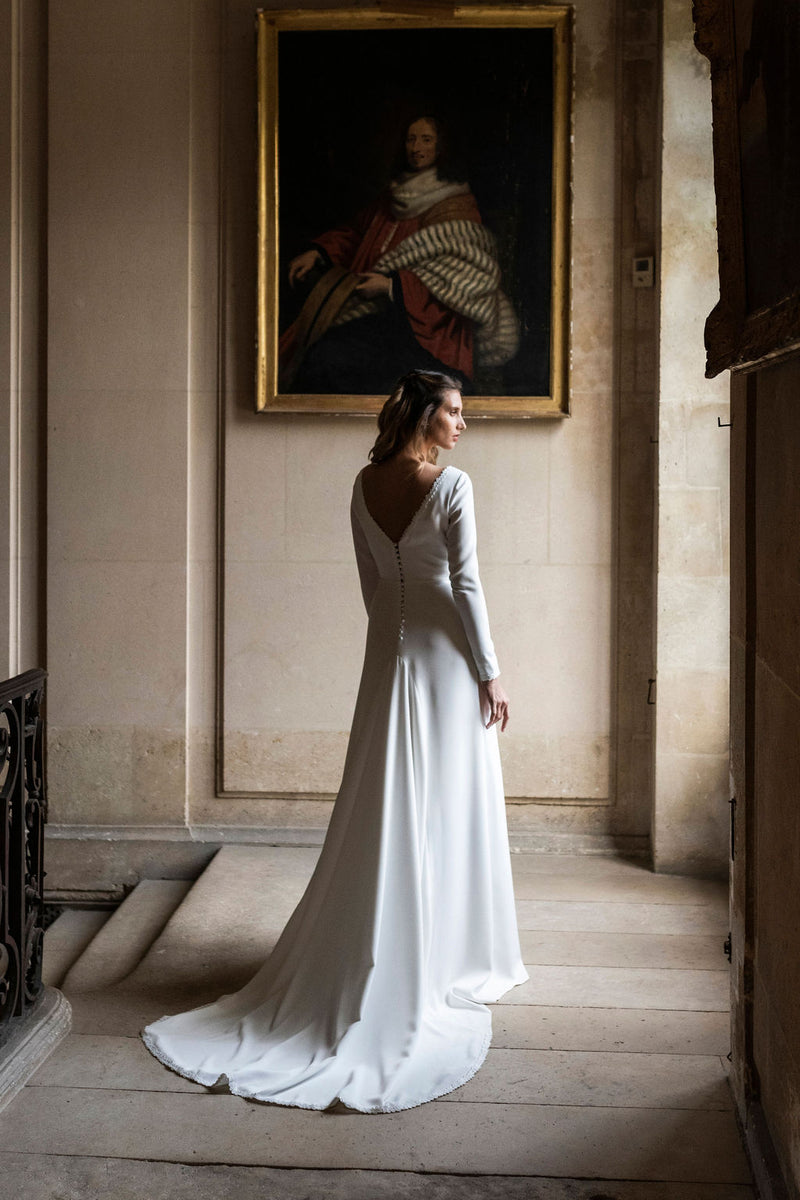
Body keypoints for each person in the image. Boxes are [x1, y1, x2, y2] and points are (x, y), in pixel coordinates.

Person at [142, 370, 528, 1112]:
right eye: (452, 411)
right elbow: (468, 582)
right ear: (422, 413)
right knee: (444, 798)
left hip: (389, 649)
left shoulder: (362, 483)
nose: (462, 424)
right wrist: (492, 672)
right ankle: (439, 953)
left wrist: (390, 644)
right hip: (446, 653)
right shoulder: (451, 487)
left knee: (388, 794)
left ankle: (402, 941)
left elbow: (371, 587)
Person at [279, 117, 519, 394]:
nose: (416, 147)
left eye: (426, 139)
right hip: (370, 313)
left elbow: (463, 276)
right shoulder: (394, 194)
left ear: (441, 147)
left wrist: (392, 286)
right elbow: (357, 234)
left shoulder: (455, 205)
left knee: (334, 360)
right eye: (410, 139)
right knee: (319, 355)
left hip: (427, 331)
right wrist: (319, 252)